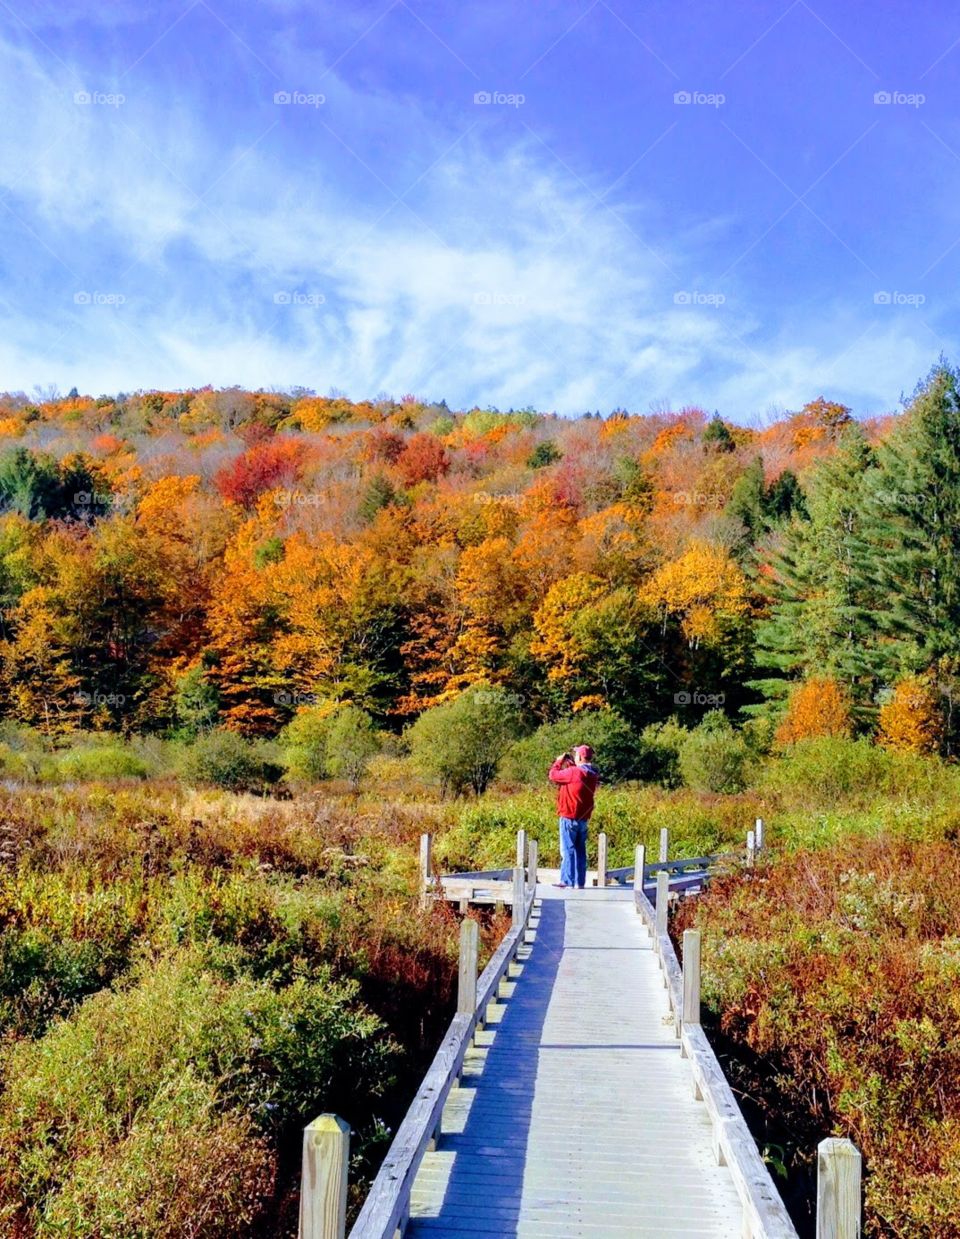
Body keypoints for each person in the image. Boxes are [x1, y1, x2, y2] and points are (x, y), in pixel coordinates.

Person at [548, 744, 600, 889]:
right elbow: (577, 775)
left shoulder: (572, 772)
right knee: (580, 851)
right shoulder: (593, 775)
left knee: (567, 850)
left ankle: (567, 881)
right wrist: (571, 763)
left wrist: (558, 761)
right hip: (582, 819)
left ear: (580, 757)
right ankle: (580, 882)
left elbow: (553, 775)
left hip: (568, 817)